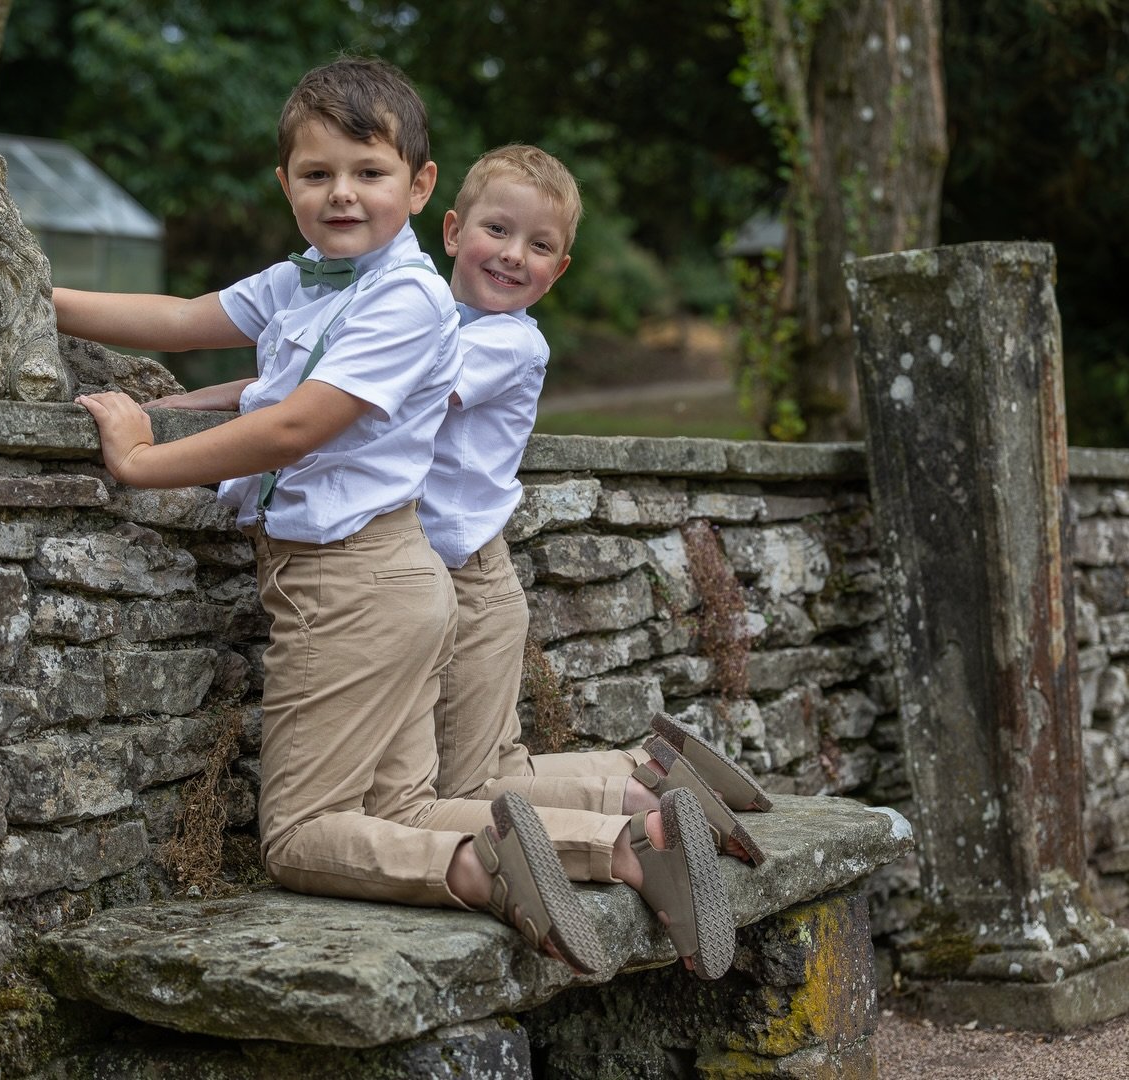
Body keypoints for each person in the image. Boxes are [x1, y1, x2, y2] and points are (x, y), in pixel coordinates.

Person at [59, 59, 733, 980]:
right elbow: (180, 317)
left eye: (367, 173)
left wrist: (143, 462)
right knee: (411, 803)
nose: (340, 193)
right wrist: (37, 297)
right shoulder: (306, 279)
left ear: (419, 189)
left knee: (300, 835)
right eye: (316, 174)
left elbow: (298, 423)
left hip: (353, 577)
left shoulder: (415, 302)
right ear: (285, 184)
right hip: (395, 577)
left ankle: (485, 868)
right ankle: (630, 839)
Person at [421, 145, 774, 871]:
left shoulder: (509, 341)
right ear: (453, 230)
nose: (514, 255)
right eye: (498, 231)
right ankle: (645, 773)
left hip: (469, 583)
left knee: (467, 784)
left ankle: (647, 820)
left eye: (540, 245)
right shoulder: (437, 321)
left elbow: (398, 390)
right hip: (449, 577)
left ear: (559, 271)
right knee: (494, 769)